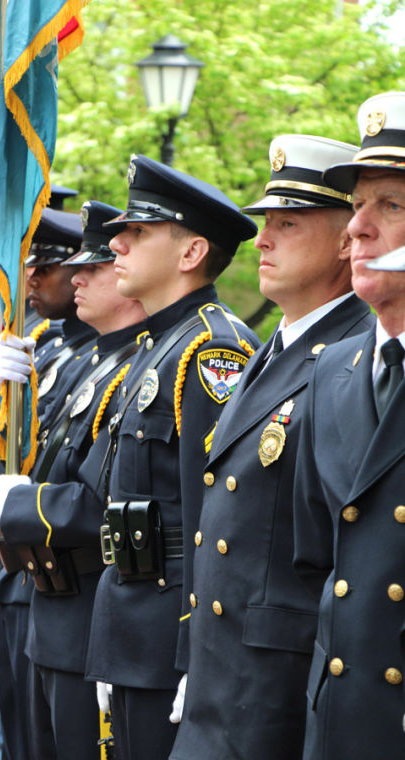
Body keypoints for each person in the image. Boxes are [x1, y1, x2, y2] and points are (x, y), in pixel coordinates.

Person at [169, 134, 375, 760]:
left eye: (288, 224)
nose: (263, 240)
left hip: (277, 696)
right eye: (266, 223)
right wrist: (192, 664)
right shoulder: (273, 349)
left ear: (346, 241)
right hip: (221, 679)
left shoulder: (356, 361)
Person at [83, 154, 261, 760]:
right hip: (132, 630)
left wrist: (197, 659)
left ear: (190, 254)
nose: (117, 243)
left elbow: (220, 520)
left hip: (169, 642)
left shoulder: (213, 350)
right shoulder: (156, 348)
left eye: (138, 231)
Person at [0, 199, 150, 759]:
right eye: (73, 265)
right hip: (50, 597)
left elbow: (115, 501)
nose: (76, 277)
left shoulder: (146, 363)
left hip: (91, 606)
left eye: (95, 266)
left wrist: (23, 504)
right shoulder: (94, 361)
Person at [293, 90, 405, 760]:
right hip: (339, 722)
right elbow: (314, 563)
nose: (356, 229)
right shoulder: (333, 368)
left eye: (389, 206)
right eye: (355, 205)